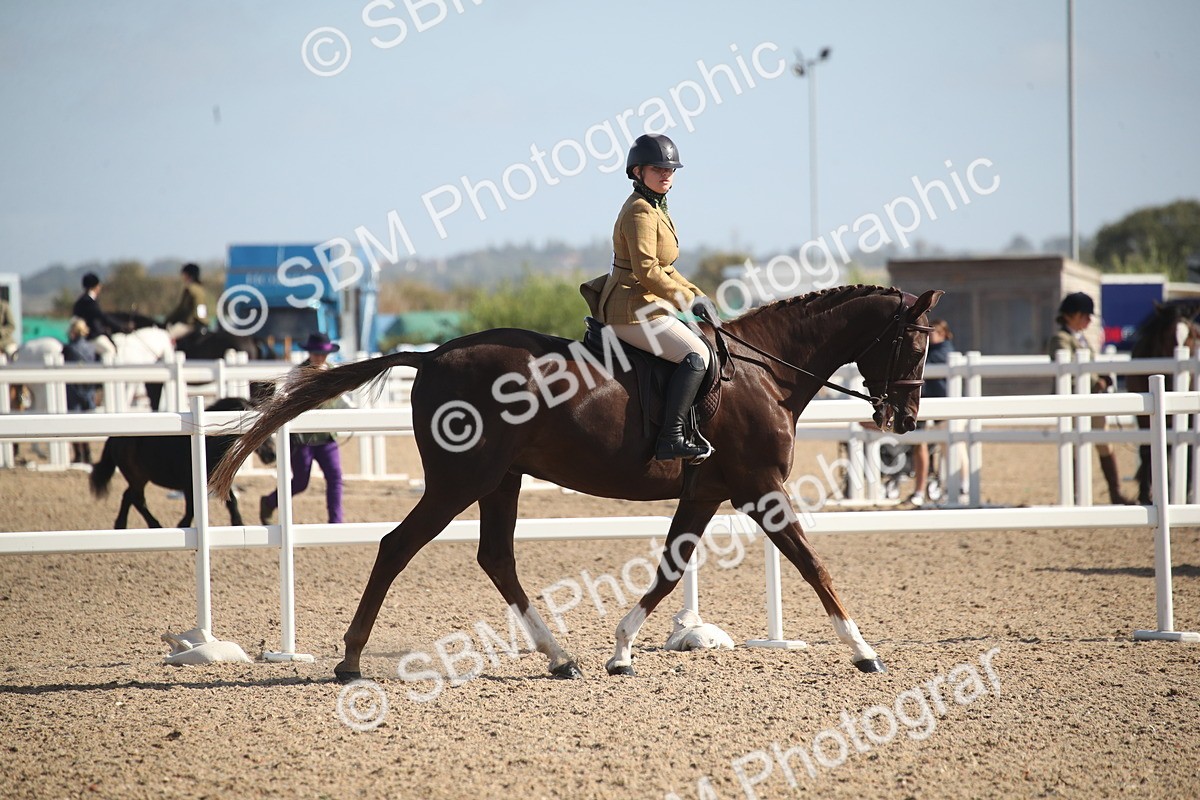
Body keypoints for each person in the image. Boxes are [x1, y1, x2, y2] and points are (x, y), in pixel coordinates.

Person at [583, 133, 715, 461]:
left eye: (670, 169)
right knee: (697, 354)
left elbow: (666, 267)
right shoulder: (640, 212)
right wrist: (686, 301)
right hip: (629, 309)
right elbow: (647, 271)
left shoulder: (656, 208)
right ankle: (671, 437)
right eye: (658, 168)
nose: (666, 174)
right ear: (638, 172)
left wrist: (698, 295)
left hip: (647, 306)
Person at [1046, 291, 1128, 504]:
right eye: (1085, 315)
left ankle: (1115, 492)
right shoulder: (1060, 339)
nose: (1089, 320)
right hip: (1073, 400)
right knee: (1074, 446)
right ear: (1072, 315)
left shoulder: (1081, 338)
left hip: (1091, 400)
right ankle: (1074, 494)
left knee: (1104, 443)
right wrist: (1097, 381)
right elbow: (1070, 367)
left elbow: (1088, 366)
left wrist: (1102, 377)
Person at [260, 333, 350, 525]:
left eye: (323, 354)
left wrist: (354, 414)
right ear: (310, 352)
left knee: (335, 477)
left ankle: (336, 522)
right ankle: (269, 502)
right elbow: (285, 399)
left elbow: (342, 400)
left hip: (326, 437)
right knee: (300, 482)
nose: (320, 357)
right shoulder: (297, 373)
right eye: (316, 353)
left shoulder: (334, 372)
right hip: (302, 439)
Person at [908, 319, 963, 507]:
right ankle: (925, 488)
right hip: (929, 403)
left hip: (944, 404)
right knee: (924, 444)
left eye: (935, 332)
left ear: (944, 334)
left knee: (953, 446)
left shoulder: (944, 351)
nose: (930, 336)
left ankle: (961, 486)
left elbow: (923, 365)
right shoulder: (930, 350)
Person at [63, 318, 101, 464]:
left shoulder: (68, 348)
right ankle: (87, 452)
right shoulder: (91, 347)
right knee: (85, 422)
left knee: (73, 423)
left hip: (73, 389)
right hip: (88, 388)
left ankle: (78, 454)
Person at [71, 273, 121, 358]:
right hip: (91, 336)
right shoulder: (89, 302)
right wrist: (120, 326)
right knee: (110, 350)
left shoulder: (80, 301)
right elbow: (102, 317)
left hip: (80, 336)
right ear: (96, 286)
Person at [164, 262, 210, 340]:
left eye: (184, 274)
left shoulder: (191, 289)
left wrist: (168, 320)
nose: (182, 277)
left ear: (189, 275)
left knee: (168, 336)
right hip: (196, 323)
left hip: (190, 325)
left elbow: (183, 308)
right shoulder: (200, 288)